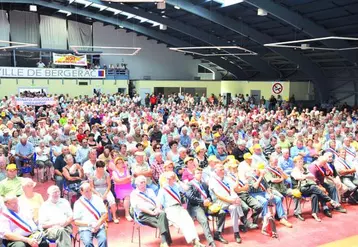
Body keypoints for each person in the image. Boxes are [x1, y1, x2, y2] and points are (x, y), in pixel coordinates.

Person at [157, 171, 205, 247]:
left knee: (189, 220)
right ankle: (193, 240)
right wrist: (159, 211)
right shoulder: (162, 190)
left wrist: (178, 181)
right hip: (170, 209)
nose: (169, 180)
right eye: (167, 178)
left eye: (171, 178)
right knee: (183, 223)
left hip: (179, 207)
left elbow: (186, 188)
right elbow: (159, 204)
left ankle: (196, 241)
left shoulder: (176, 185)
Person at [130, 175, 172, 247]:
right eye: (141, 183)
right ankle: (165, 241)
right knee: (163, 221)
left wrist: (158, 209)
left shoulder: (150, 190)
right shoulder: (134, 194)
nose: (143, 184)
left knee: (162, 213)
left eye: (144, 182)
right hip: (143, 215)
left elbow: (157, 201)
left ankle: (164, 242)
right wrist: (151, 213)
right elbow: (140, 207)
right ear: (136, 184)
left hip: (155, 211)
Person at [209, 164, 243, 243]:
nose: (223, 171)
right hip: (218, 202)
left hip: (228, 201)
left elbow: (234, 186)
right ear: (216, 171)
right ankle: (243, 219)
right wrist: (232, 201)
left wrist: (237, 177)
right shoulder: (212, 180)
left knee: (234, 207)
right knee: (236, 203)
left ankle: (236, 233)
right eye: (221, 170)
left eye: (223, 169)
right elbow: (219, 196)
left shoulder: (225, 178)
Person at [186, 168, 217, 247]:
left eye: (200, 173)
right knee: (204, 221)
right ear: (193, 175)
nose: (199, 174)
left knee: (222, 213)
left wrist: (209, 200)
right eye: (197, 173)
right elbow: (190, 197)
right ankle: (211, 242)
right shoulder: (190, 184)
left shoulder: (203, 184)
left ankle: (218, 233)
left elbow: (209, 195)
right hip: (196, 206)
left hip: (207, 205)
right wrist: (202, 202)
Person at [73, 182, 108, 247]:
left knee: (103, 240)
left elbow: (105, 214)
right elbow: (76, 222)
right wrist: (89, 224)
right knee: (88, 242)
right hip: (85, 228)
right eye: (86, 191)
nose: (89, 193)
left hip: (99, 226)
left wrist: (98, 224)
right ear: (81, 192)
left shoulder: (98, 199)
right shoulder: (77, 203)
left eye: (90, 190)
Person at [111, 157, 133, 221]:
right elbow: (118, 181)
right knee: (127, 196)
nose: (121, 164)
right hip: (119, 189)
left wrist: (121, 181)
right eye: (119, 163)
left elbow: (129, 180)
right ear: (116, 164)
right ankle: (127, 214)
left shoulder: (126, 170)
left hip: (128, 187)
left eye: (121, 162)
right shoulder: (114, 172)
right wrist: (125, 179)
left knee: (135, 194)